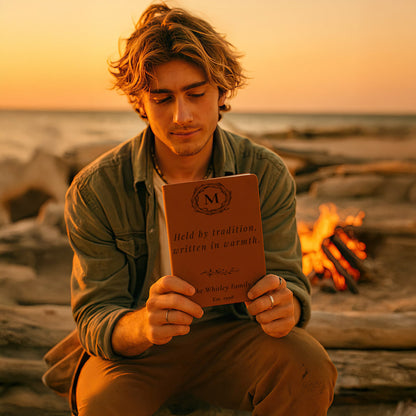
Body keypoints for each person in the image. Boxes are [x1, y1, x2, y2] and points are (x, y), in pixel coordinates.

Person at [66, 3, 337, 415]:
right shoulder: (96, 188)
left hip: (235, 336)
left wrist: (288, 306)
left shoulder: (264, 172)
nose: (182, 116)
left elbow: (289, 279)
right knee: (104, 405)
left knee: (309, 366)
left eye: (196, 93)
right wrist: (143, 324)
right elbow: (93, 314)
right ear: (139, 102)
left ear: (221, 92)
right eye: (162, 98)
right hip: (136, 355)